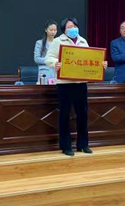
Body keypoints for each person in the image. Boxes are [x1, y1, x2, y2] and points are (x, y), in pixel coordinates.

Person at [45, 17, 107, 156]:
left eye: (74, 26)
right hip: (64, 84)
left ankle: (83, 145)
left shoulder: (83, 41)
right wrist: (56, 63)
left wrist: (101, 64)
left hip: (80, 83)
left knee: (83, 114)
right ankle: (66, 146)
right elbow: (48, 58)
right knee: (65, 115)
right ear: (64, 30)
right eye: (69, 27)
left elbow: (89, 59)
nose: (72, 29)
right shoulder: (57, 41)